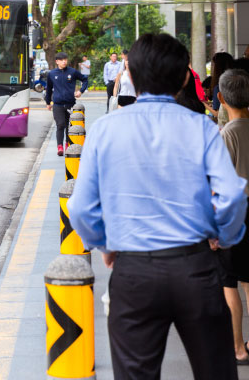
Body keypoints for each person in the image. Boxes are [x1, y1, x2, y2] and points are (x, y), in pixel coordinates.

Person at [67, 33, 247, 380]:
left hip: (133, 272)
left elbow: (81, 209)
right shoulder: (202, 128)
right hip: (196, 267)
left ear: (131, 76)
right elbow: (232, 196)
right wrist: (223, 236)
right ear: (184, 79)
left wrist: (106, 243)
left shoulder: (105, 130)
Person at [214, 69, 249, 366]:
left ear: (221, 98)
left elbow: (221, 186)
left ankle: (238, 349)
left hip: (237, 215)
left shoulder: (227, 134)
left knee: (229, 284)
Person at [45, 51, 88, 156]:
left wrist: (81, 91)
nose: (64, 62)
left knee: (69, 127)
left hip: (70, 104)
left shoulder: (72, 72)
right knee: (60, 125)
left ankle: (67, 144)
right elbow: (49, 89)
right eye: (61, 60)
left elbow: (85, 79)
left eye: (65, 60)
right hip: (57, 104)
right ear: (57, 62)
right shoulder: (52, 74)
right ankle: (59, 146)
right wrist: (48, 102)